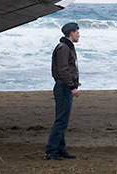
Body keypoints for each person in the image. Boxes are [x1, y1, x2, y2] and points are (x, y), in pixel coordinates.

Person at [44, 22, 81, 160]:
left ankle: (60, 148)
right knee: (61, 121)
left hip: (64, 87)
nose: (79, 35)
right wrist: (72, 88)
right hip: (63, 87)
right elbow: (63, 70)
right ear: (71, 33)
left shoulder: (67, 47)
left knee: (63, 120)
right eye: (77, 32)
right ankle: (51, 151)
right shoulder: (63, 48)